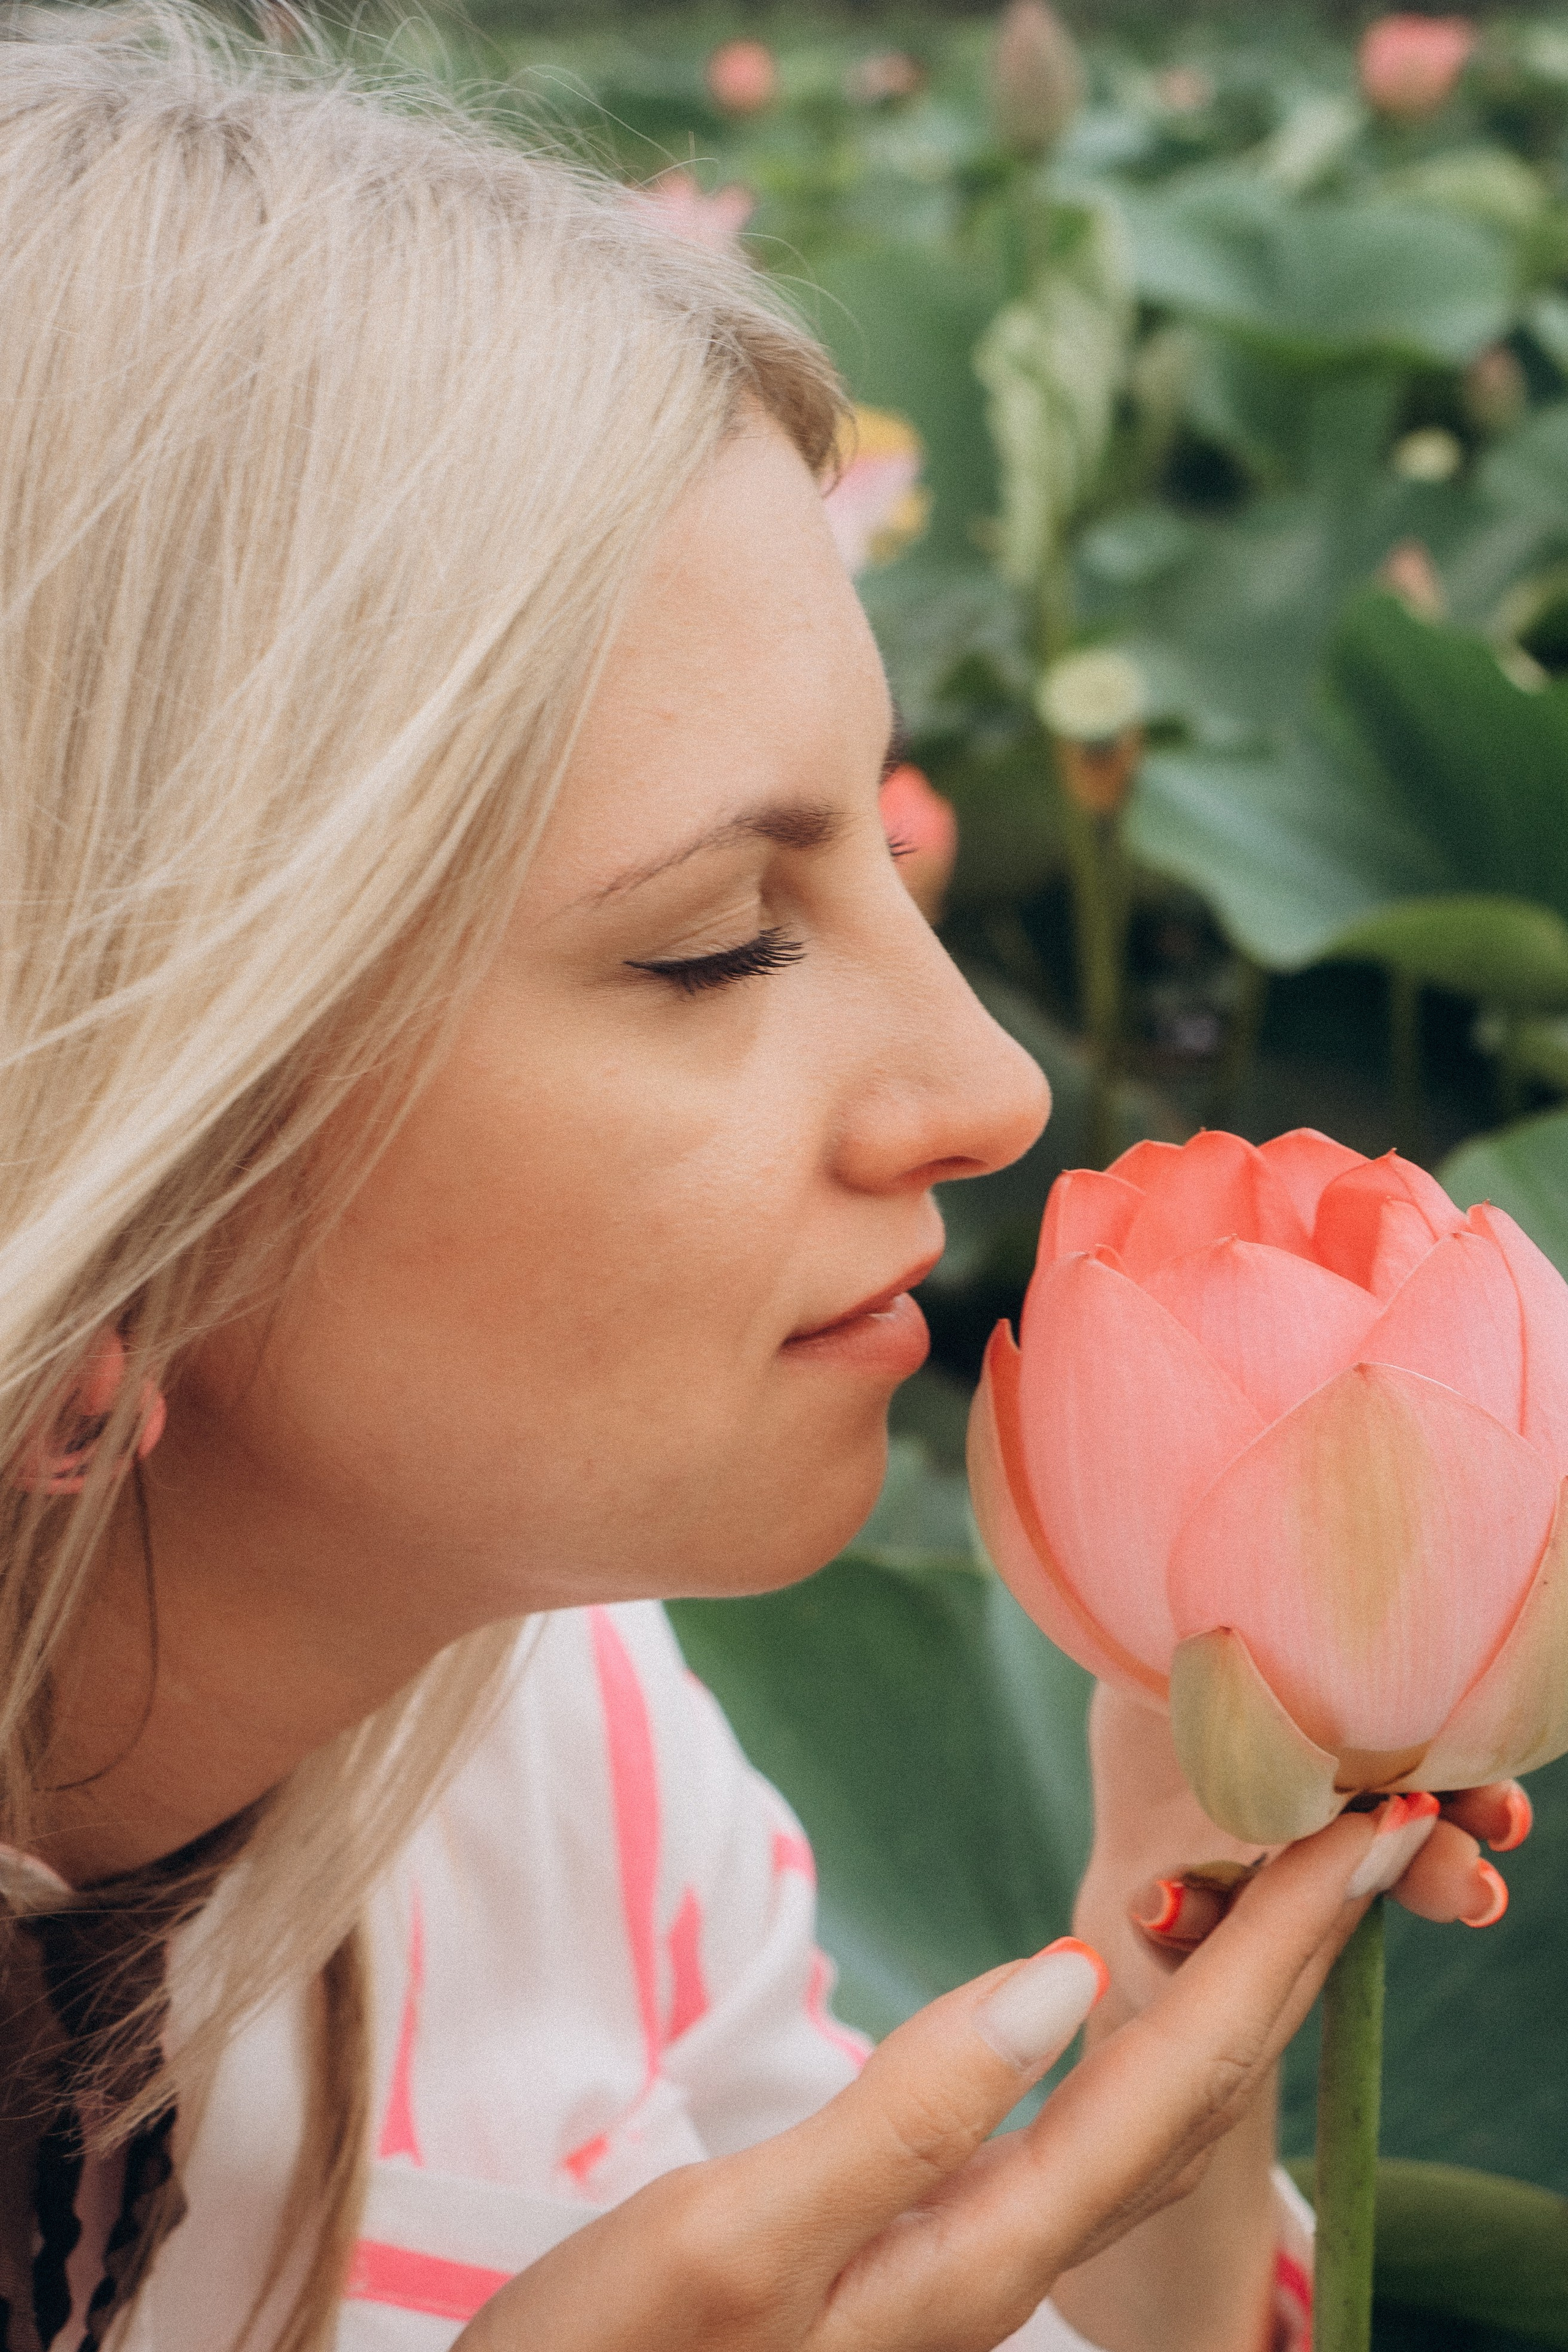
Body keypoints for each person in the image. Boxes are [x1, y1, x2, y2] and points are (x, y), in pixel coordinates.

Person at [0, 13, 1526, 2351]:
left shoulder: (568, 1739)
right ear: (114, 1140)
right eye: (718, 943)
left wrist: (1155, 2069)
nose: (997, 1087)